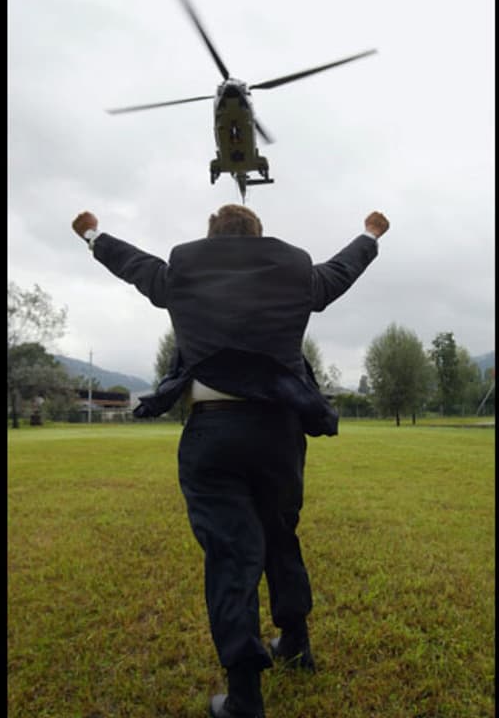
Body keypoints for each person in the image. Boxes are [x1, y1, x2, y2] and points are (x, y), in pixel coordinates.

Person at [72, 204, 389, 718]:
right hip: (280, 434)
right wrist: (370, 234)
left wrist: (92, 233)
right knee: (281, 536)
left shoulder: (185, 268)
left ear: (211, 236)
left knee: (230, 555)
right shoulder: (292, 268)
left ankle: (244, 697)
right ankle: (296, 643)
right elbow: (338, 273)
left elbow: (134, 264)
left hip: (214, 434)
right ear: (259, 236)